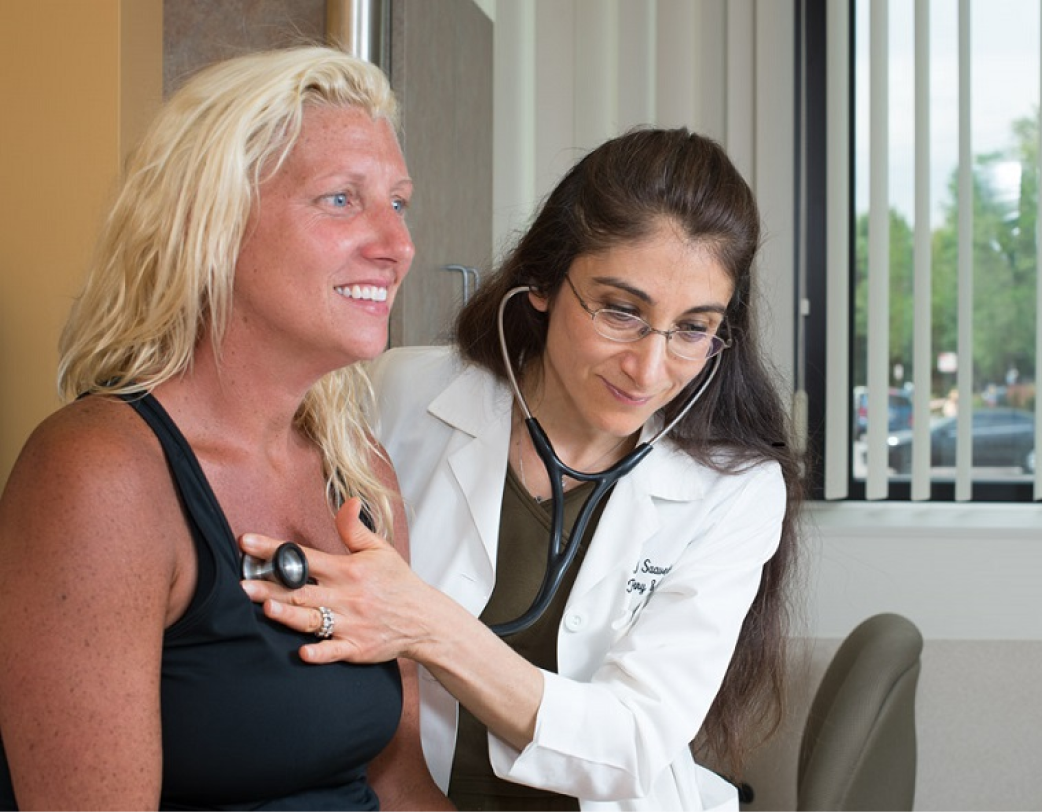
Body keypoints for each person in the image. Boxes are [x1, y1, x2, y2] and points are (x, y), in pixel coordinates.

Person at [240, 127, 803, 811]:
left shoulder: (731, 490)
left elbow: (633, 746)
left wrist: (427, 626)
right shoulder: (392, 397)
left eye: (692, 328)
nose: (649, 369)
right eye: (621, 311)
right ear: (540, 280)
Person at [0, 47, 452, 811]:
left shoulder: (357, 468)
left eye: (398, 203)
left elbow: (397, 781)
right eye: (342, 199)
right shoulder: (100, 474)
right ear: (212, 220)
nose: (398, 245)